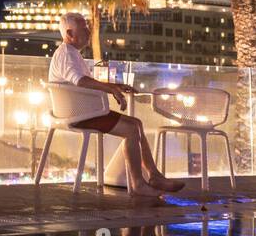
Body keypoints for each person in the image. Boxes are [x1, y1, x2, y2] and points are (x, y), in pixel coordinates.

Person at [47, 12, 182, 197]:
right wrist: (111, 89)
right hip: (80, 115)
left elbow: (82, 81)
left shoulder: (70, 53)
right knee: (131, 130)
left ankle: (154, 175)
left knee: (137, 124)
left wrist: (114, 86)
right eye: (84, 29)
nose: (89, 32)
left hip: (83, 111)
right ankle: (138, 184)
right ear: (70, 34)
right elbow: (80, 81)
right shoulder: (67, 55)